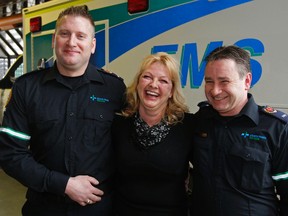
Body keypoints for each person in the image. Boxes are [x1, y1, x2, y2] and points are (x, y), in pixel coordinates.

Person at [0, 5, 126, 216]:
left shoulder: (115, 89)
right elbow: (10, 153)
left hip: (99, 210)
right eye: (64, 34)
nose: (71, 42)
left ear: (92, 45)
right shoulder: (26, 88)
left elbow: (129, 148)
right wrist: (64, 184)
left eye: (80, 36)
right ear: (53, 40)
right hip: (43, 208)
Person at [190, 45, 288, 215]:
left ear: (247, 81)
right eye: (209, 81)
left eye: (224, 81)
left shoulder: (276, 129)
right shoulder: (200, 121)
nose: (215, 90)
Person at [111, 52, 194, 216]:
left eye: (163, 80)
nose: (153, 85)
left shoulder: (188, 126)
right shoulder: (118, 124)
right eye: (147, 77)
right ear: (138, 83)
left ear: (171, 91)